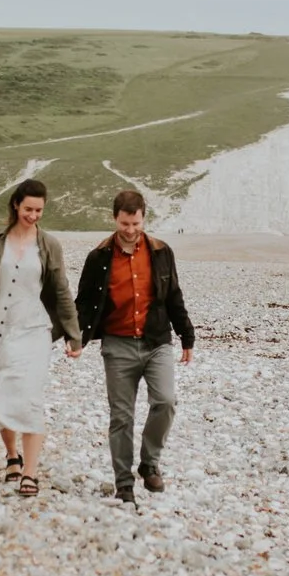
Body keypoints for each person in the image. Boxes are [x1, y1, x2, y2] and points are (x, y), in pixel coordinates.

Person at [0, 178, 81, 498]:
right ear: (15, 205)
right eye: (28, 209)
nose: (34, 215)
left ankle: (30, 474)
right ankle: (12, 457)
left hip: (35, 330)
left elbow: (62, 291)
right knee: (1, 394)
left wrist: (74, 335)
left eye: (39, 210)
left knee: (31, 397)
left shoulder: (49, 245)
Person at [75, 188, 195, 502]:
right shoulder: (99, 257)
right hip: (118, 345)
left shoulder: (160, 251)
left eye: (136, 224)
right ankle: (124, 484)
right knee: (121, 416)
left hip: (157, 342)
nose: (130, 231)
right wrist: (77, 339)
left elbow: (173, 296)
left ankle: (149, 462)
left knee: (166, 402)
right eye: (125, 224)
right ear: (115, 219)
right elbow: (84, 303)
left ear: (144, 219)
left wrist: (186, 336)